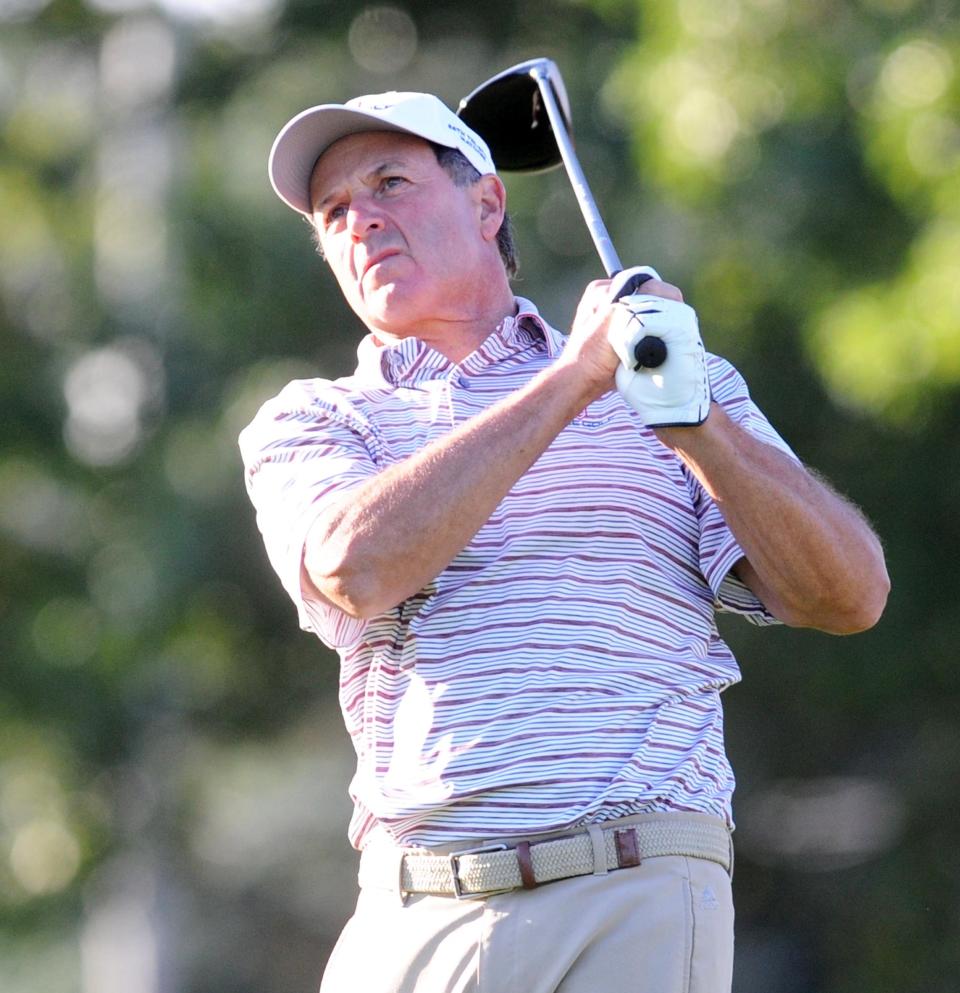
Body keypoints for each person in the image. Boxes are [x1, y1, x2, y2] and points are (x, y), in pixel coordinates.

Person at [239, 89, 889, 993]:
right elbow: (355, 565)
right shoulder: (316, 420)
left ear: (487, 203)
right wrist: (577, 378)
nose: (362, 221)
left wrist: (693, 418)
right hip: (418, 898)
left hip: (638, 882)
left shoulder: (671, 377)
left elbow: (848, 594)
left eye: (390, 181)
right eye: (335, 211)